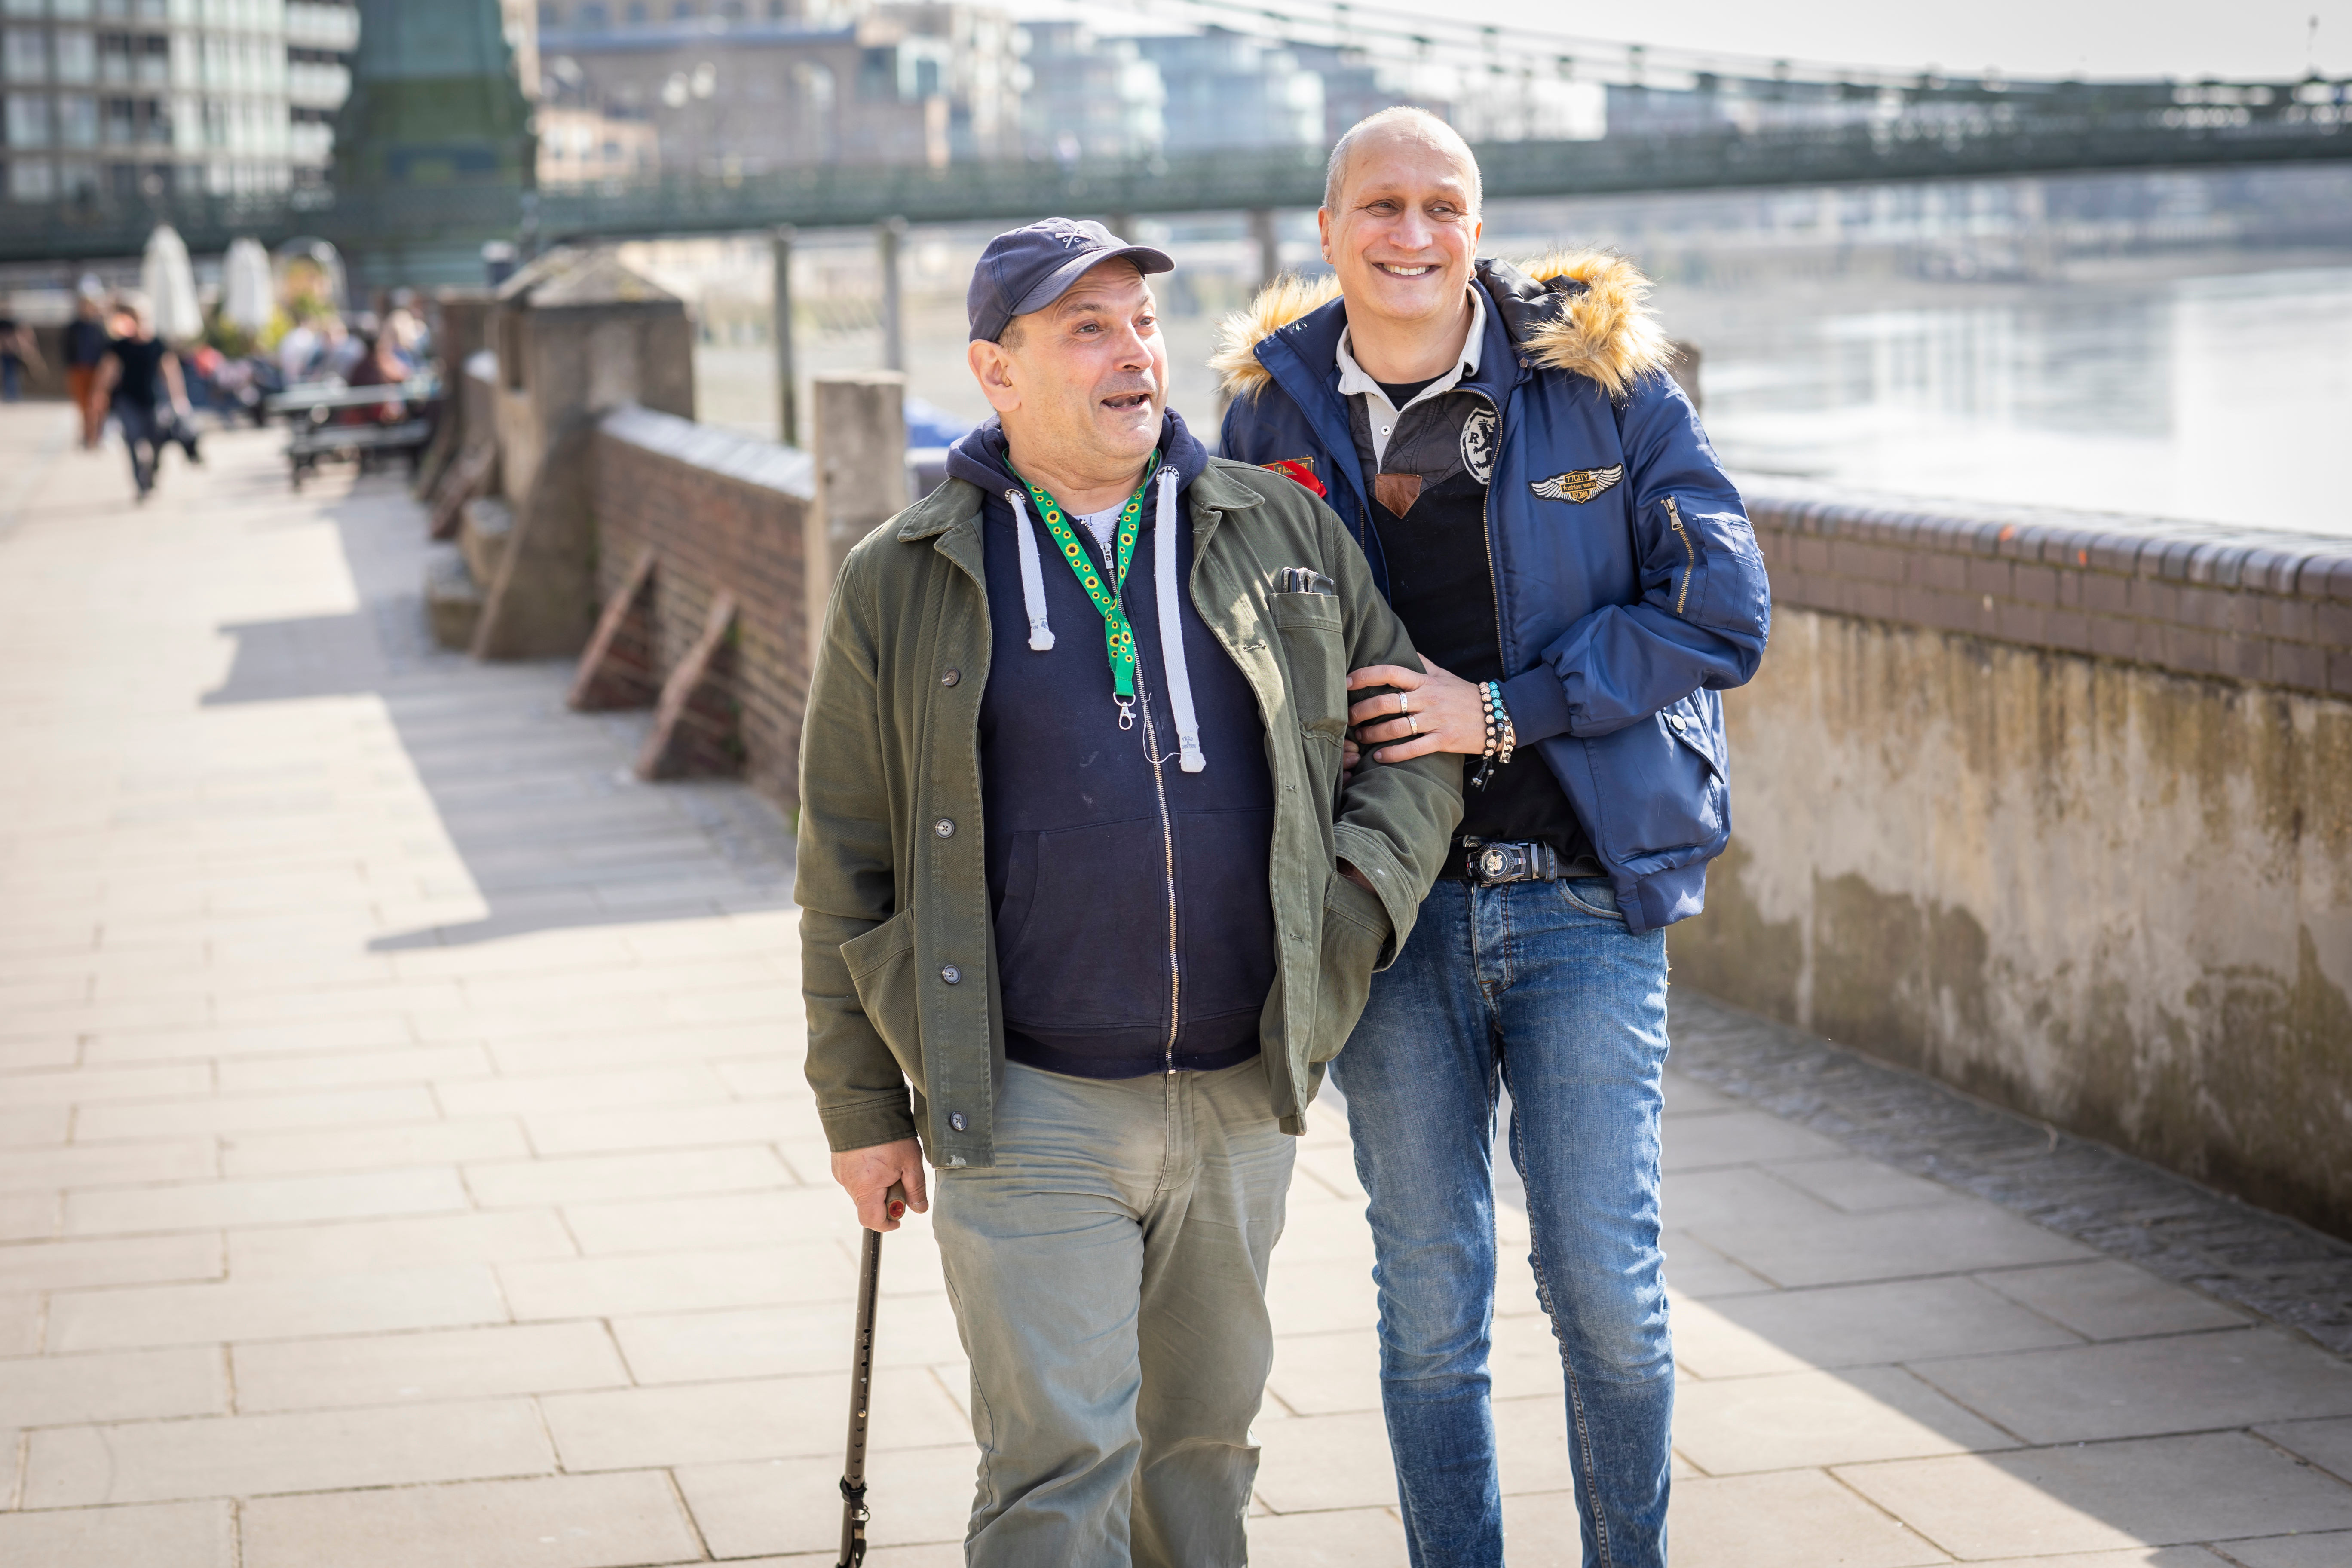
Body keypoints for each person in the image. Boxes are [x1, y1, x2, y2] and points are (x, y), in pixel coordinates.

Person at [798, 217, 1459, 1566]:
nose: (1133, 353)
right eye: (1087, 328)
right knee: (1056, 1471)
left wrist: (1342, 916)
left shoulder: (1277, 530)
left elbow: (1411, 743)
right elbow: (845, 862)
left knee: (1202, 1465)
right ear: (998, 370)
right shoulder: (903, 578)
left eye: (1142, 323)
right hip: (1027, 1098)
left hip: (1238, 1095)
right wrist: (863, 1109)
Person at [1217, 107, 1771, 1568]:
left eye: (1442, 206)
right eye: (1381, 206)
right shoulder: (1266, 416)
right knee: (1428, 1301)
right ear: (1326, 230)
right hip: (1385, 913)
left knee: (1606, 1287)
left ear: (1480, 222)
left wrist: (1507, 710)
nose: (1413, 234)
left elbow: (1723, 615)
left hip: (1585, 891)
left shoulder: (1603, 382)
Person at [94, 295, 192, 502]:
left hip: (153, 400)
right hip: (127, 400)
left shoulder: (157, 344)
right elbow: (107, 373)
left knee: (157, 440)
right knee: (132, 440)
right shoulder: (119, 346)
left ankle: (151, 471)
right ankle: (140, 483)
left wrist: (179, 400)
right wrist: (99, 396)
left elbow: (170, 372)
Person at [64, 290, 113, 448]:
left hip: (98, 370)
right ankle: (88, 435)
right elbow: (66, 349)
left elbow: (109, 349)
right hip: (79, 368)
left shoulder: (100, 327)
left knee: (99, 403)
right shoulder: (74, 327)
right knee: (84, 405)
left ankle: (97, 435)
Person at [0, 311, 41, 403]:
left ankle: (14, 395)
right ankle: (10, 395)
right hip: (6, 353)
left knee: (14, 374)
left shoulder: (14, 323)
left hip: (14, 353)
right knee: (8, 374)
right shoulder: (6, 323)